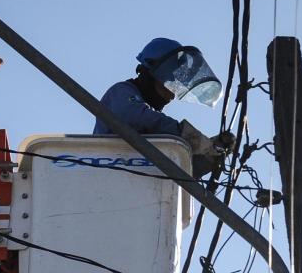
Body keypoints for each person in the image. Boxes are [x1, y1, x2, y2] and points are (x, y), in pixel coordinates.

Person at [93, 37, 232, 176]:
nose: (172, 94)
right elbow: (137, 117)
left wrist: (210, 153)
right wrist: (187, 136)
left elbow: (183, 172)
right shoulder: (121, 92)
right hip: (107, 175)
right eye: (170, 81)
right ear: (152, 72)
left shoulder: (155, 131)